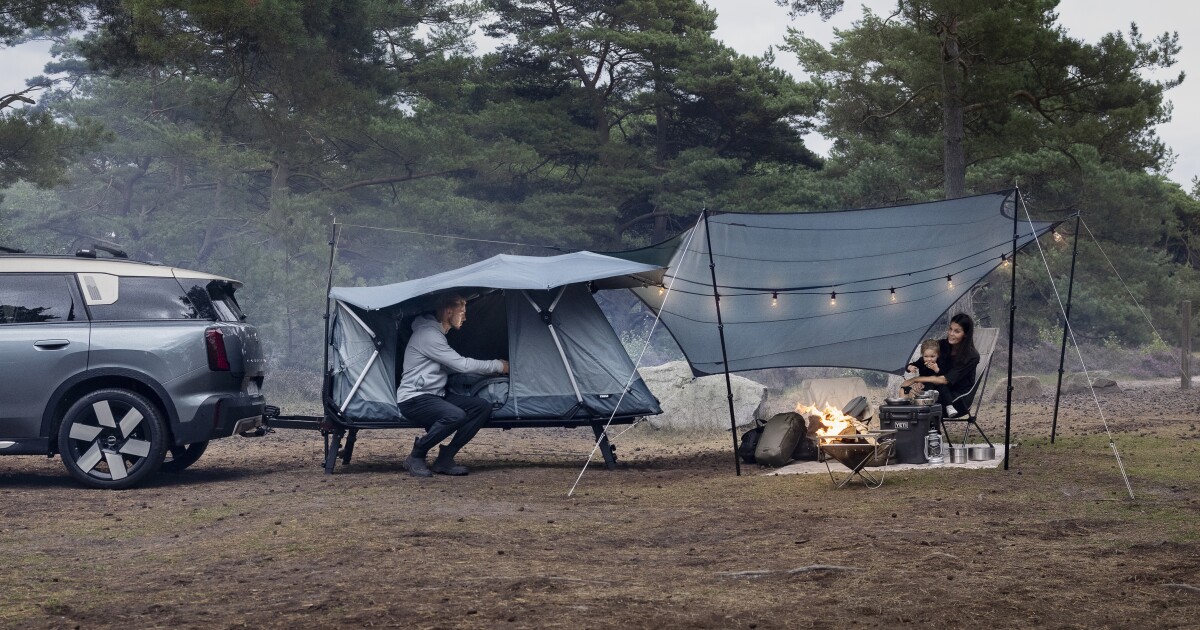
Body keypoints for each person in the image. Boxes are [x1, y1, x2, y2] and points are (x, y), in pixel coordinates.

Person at [397, 293, 509, 478]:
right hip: (415, 398)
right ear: (449, 312)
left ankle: (445, 458)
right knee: (455, 415)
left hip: (435, 395)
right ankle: (416, 455)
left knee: (481, 407)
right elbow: (462, 365)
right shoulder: (428, 335)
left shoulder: (437, 334)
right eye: (462, 312)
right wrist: (499, 366)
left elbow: (450, 368)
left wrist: (489, 373)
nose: (465, 317)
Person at [901, 313, 980, 418]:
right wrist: (920, 382)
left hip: (956, 399)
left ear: (965, 334)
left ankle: (925, 427)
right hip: (936, 389)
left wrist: (915, 379)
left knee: (920, 400)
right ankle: (905, 422)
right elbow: (924, 364)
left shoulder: (972, 356)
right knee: (906, 391)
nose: (951, 334)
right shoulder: (941, 345)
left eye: (957, 331)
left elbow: (945, 380)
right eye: (950, 329)